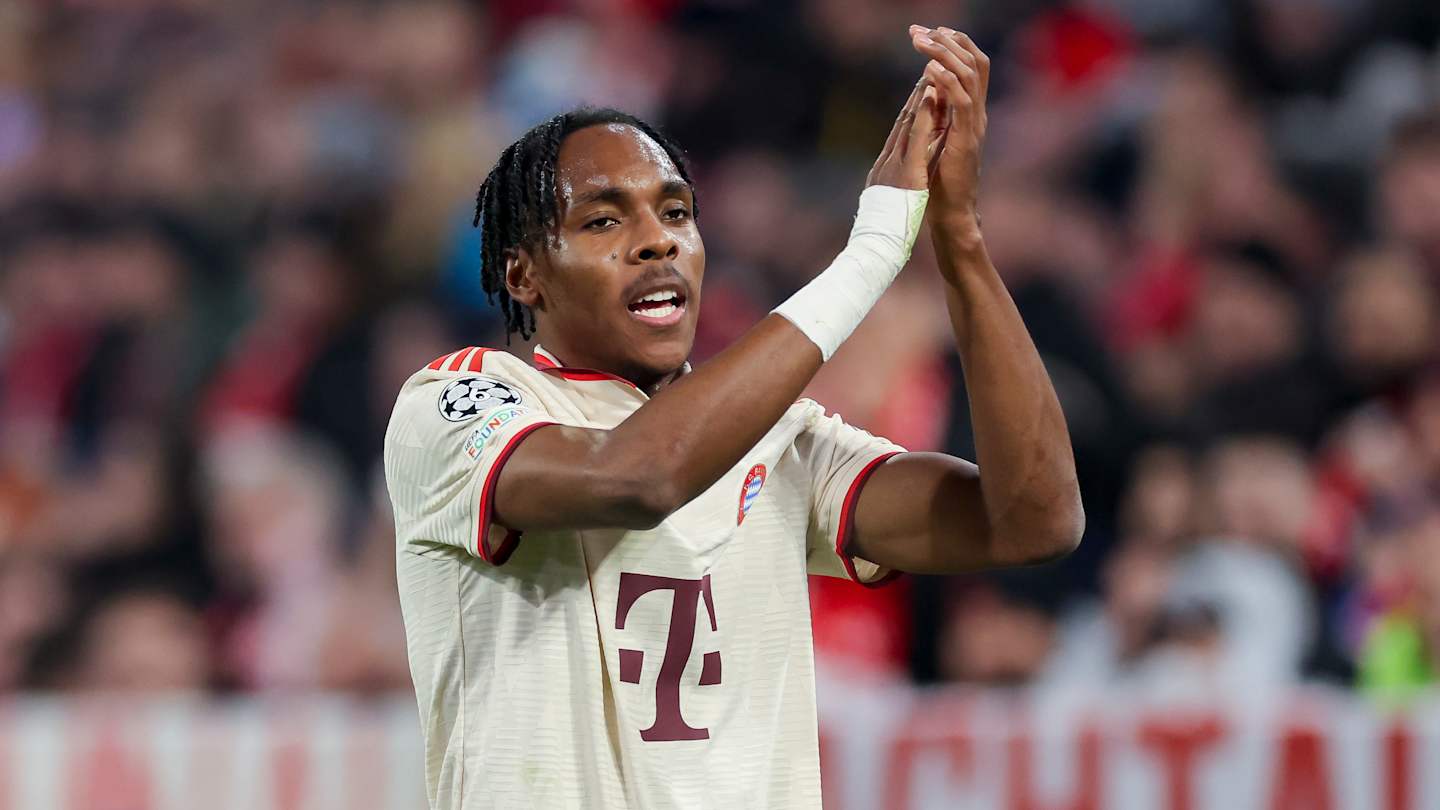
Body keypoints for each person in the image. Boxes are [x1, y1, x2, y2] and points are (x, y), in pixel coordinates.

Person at [385, 26, 1082, 810]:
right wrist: (873, 251)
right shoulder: (455, 402)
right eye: (604, 221)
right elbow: (639, 476)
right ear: (523, 274)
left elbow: (1035, 522)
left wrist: (959, 243)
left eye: (675, 212)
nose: (656, 242)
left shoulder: (781, 440)